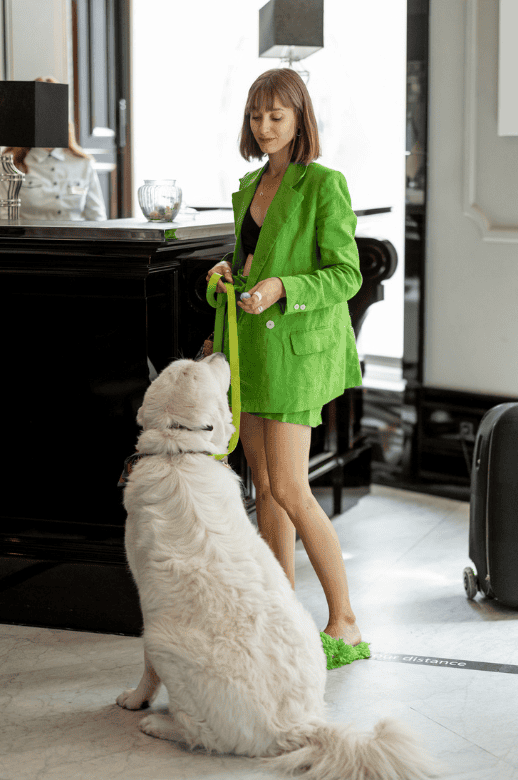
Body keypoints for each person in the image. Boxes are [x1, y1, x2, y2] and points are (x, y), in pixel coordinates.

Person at [205, 68, 364, 648]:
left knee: (292, 489)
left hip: (296, 355)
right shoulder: (251, 185)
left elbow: (345, 274)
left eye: (277, 116)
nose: (264, 126)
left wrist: (282, 288)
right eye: (256, 116)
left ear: (300, 119)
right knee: (265, 486)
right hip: (252, 350)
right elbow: (253, 261)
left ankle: (345, 621)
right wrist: (229, 272)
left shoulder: (323, 184)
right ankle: (282, 612)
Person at [2, 77, 107, 221]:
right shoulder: (11, 164)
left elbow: (97, 217)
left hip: (75, 236)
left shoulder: (83, 163)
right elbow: (2, 217)